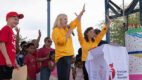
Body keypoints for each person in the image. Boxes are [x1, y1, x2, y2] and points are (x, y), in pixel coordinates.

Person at [51, 4, 85, 80]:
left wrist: (81, 13)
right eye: (65, 19)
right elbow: (60, 42)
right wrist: (69, 32)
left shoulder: (66, 28)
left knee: (66, 77)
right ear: (59, 20)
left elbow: (75, 22)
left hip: (68, 56)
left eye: (67, 19)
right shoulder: (56, 30)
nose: (67, 20)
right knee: (63, 78)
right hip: (62, 57)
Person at [76, 13, 111, 80]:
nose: (93, 33)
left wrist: (108, 23)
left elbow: (102, 33)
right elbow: (79, 31)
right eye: (91, 32)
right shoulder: (82, 41)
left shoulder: (95, 41)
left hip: (94, 62)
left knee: (95, 77)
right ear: (86, 33)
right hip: (86, 61)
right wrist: (79, 19)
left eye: (93, 32)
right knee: (87, 77)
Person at [0, 11, 24, 80]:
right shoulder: (6, 29)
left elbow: (12, 51)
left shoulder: (12, 32)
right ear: (8, 19)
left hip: (9, 63)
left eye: (18, 20)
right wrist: (7, 59)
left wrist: (15, 63)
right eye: (15, 19)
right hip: (3, 62)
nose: (17, 22)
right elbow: (2, 44)